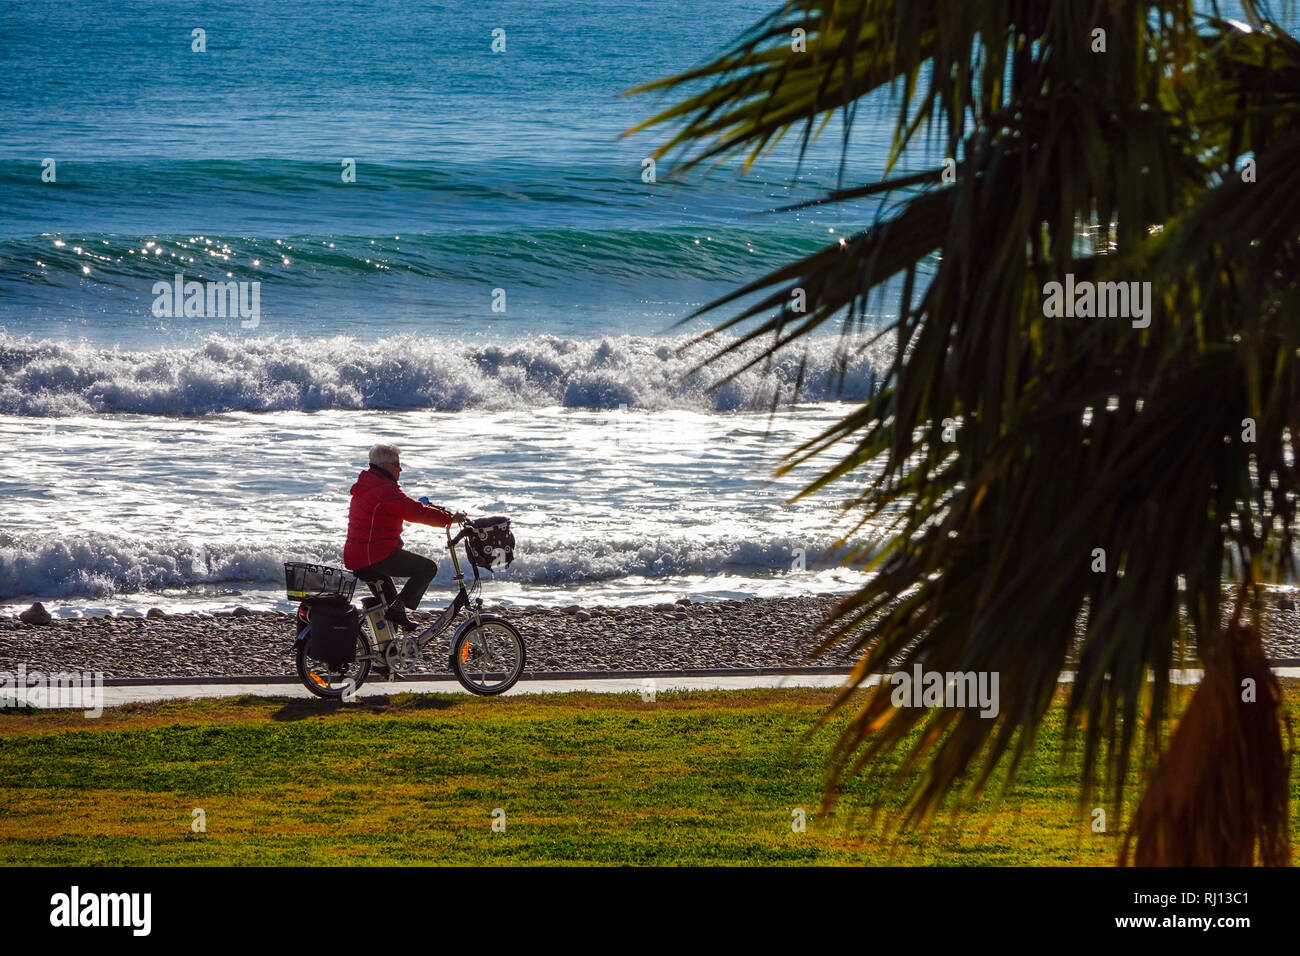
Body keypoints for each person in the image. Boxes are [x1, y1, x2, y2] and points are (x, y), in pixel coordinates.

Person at [343, 443, 464, 630]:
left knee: (390, 608)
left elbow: (408, 506)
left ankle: (385, 651)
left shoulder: (368, 485)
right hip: (374, 555)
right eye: (398, 464)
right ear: (387, 466)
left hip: (359, 555)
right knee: (427, 568)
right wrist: (448, 519)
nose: (400, 469)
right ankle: (398, 609)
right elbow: (415, 512)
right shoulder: (383, 489)